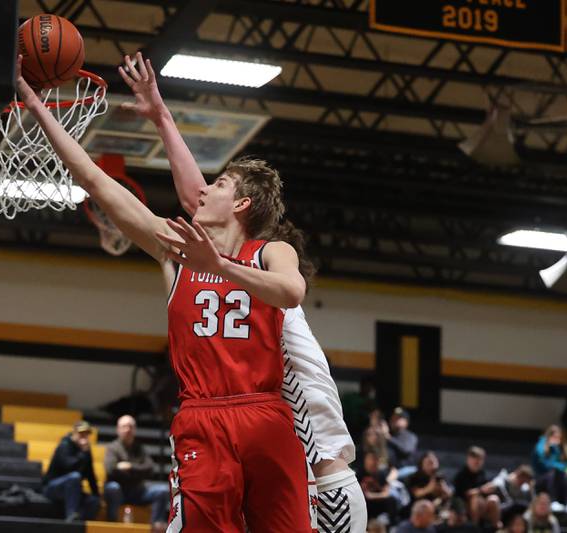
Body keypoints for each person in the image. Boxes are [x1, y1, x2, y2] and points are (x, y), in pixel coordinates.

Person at [17, 53, 312, 532]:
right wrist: (33, 101)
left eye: (216, 184)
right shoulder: (174, 251)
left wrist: (218, 265)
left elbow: (291, 292)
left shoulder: (272, 251)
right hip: (202, 415)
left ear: (240, 203)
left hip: (264, 412)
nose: (201, 192)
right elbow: (93, 178)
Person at [116, 52, 367, 532]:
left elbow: (203, 206)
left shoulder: (267, 275)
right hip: (274, 457)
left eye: (221, 187)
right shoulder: (241, 267)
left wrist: (163, 117)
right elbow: (201, 202)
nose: (203, 196)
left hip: (322, 480)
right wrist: (161, 116)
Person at [103, 415, 169, 529]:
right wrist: (137, 471)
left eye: (130, 426)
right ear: (118, 429)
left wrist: (129, 467)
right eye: (124, 426)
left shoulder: (139, 448)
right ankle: (111, 525)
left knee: (162, 490)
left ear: (134, 429)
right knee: (112, 487)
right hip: (119, 492)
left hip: (138, 492)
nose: (128, 429)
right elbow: (110, 469)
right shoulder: (112, 447)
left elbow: (150, 468)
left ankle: (155, 527)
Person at [41, 420, 100, 522]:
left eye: (86, 434)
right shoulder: (64, 445)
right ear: (74, 433)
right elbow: (69, 466)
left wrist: (97, 495)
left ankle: (82, 524)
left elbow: (90, 474)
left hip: (73, 490)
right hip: (52, 488)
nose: (84, 437)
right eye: (81, 433)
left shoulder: (85, 451)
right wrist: (83, 453)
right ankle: (71, 516)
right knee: (74, 476)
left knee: (93, 500)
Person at [453, 446, 500, 527]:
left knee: (493, 499)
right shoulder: (461, 475)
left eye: (479, 459)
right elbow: (467, 494)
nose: (477, 462)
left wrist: (491, 488)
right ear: (468, 459)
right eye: (474, 458)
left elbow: (484, 489)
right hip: (464, 506)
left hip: (482, 503)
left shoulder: (481, 473)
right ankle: (475, 528)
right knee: (476, 500)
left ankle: (495, 528)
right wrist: (482, 490)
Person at [532, 425, 567, 507]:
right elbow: (546, 464)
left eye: (559, 438)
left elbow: (564, 464)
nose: (557, 440)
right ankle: (553, 501)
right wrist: (559, 467)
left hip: (557, 475)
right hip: (541, 476)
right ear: (549, 436)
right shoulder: (541, 445)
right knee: (553, 474)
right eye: (555, 437)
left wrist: (560, 467)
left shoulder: (560, 448)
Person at [360, 450, 399, 523]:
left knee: (392, 500)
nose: (373, 462)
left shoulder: (381, 474)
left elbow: (386, 493)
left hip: (378, 501)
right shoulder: (359, 474)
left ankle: (392, 525)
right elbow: (363, 495)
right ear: (365, 460)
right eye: (370, 459)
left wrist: (373, 496)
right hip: (365, 503)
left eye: (375, 459)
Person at [386, 407, 419, 473]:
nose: (394, 420)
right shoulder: (387, 435)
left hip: (407, 470)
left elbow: (406, 450)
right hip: (390, 471)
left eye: (398, 418)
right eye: (393, 418)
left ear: (406, 422)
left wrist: (389, 438)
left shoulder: (410, 436)